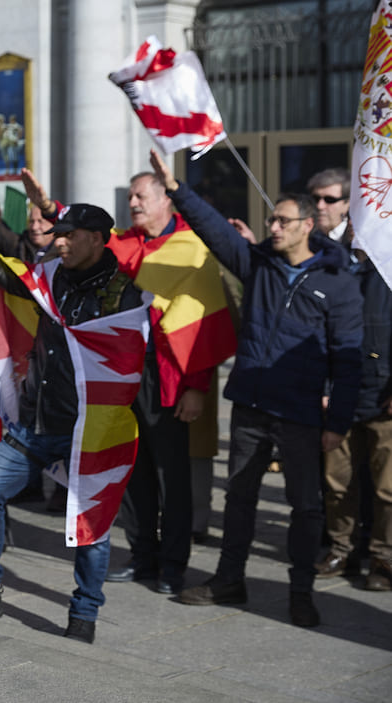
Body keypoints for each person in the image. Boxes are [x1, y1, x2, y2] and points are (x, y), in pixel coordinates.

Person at [150, 151, 363, 628]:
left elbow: (347, 358)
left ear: (307, 225)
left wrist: (338, 423)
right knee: (239, 499)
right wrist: (176, 188)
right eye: (271, 219)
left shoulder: (338, 282)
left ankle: (301, 592)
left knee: (305, 507)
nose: (273, 226)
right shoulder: (258, 264)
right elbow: (215, 231)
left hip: (302, 413)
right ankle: (229, 580)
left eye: (282, 220)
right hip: (250, 404)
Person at [0, 175, 150, 644]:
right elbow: (0, 272)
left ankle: (84, 613)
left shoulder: (124, 297)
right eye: (59, 236)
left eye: (70, 236)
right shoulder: (50, 277)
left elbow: (126, 367)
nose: (61, 243)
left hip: (89, 432)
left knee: (90, 523)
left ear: (96, 239)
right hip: (33, 426)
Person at [20, 167, 235, 594]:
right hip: (118, 376)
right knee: (131, 469)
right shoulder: (125, 243)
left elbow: (205, 323)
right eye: (131, 197)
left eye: (139, 196)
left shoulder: (193, 247)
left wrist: (196, 386)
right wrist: (49, 208)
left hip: (167, 378)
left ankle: (173, 565)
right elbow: (87, 235)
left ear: (164, 200)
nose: (132, 203)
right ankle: (142, 557)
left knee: (171, 477)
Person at [311, 168, 391, 591]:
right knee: (337, 482)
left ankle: (382, 558)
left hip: (382, 392)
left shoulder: (388, 257)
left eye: (331, 199)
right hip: (340, 392)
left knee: (385, 488)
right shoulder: (328, 258)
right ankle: (340, 548)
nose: (322, 208)